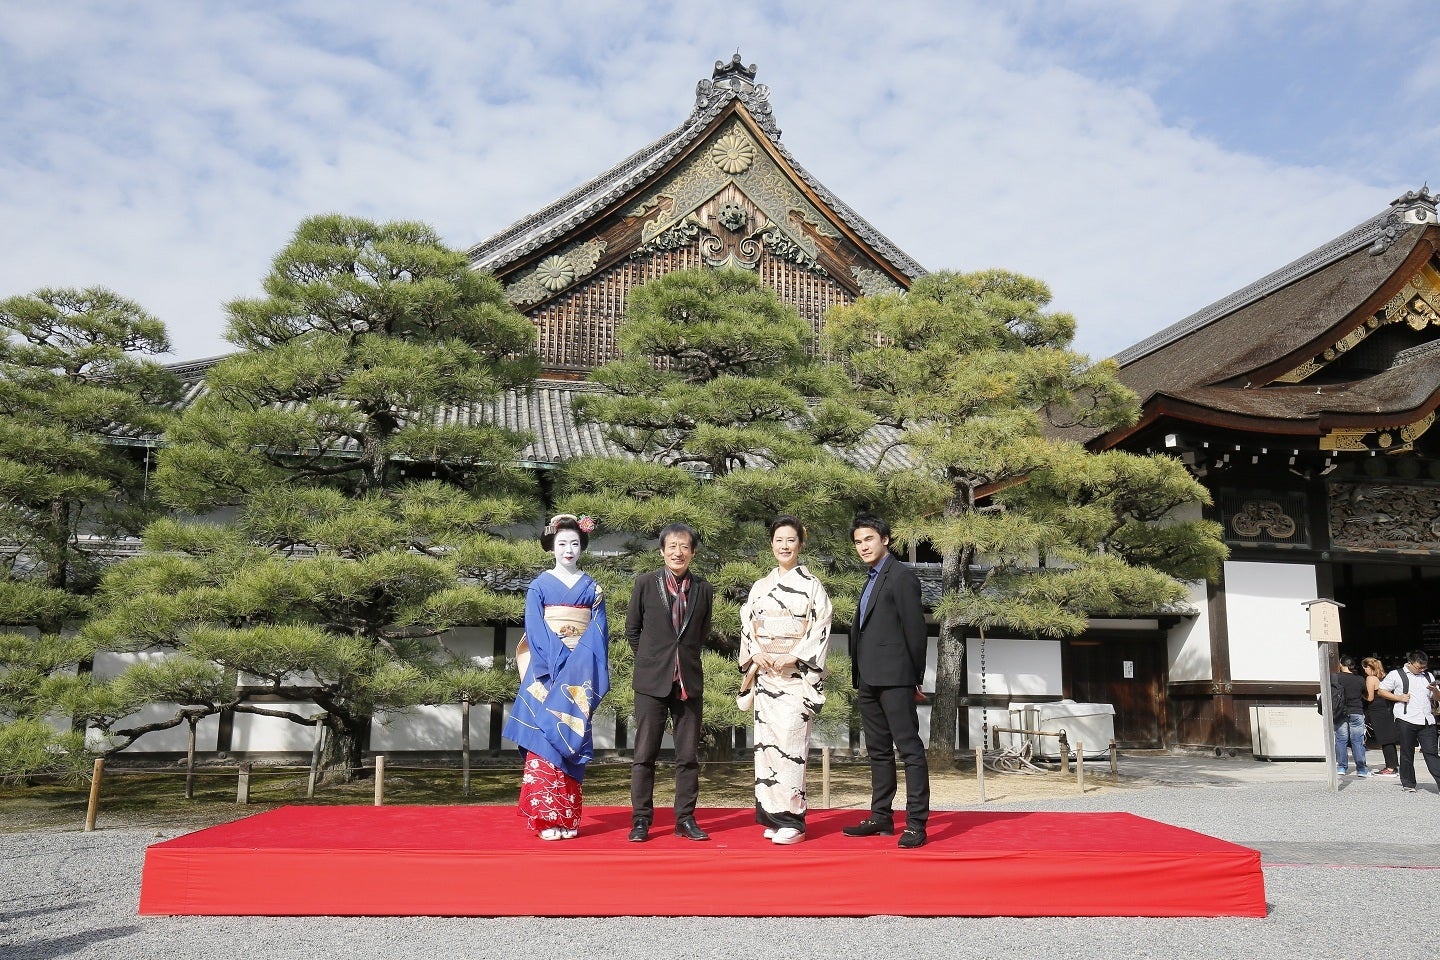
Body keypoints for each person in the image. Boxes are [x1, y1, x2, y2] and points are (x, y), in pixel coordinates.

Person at [502, 514, 609, 840]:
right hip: (545, 673)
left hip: (578, 674)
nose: (568, 549)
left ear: (582, 547)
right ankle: (547, 819)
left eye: (574, 543)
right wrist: (557, 661)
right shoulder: (539, 585)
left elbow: (599, 631)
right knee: (544, 742)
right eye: (562, 543)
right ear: (551, 546)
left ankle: (568, 818)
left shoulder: (592, 587)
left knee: (571, 740)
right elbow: (535, 628)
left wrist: (578, 664)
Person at [738, 515, 834, 845]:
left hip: (794, 677)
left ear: (800, 545)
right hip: (766, 676)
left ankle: (793, 819)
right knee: (766, 747)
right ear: (771, 545)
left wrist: (794, 656)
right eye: (779, 540)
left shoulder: (812, 586)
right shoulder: (760, 587)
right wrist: (754, 653)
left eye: (790, 540)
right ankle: (773, 815)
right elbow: (748, 625)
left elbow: (821, 626)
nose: (784, 545)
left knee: (792, 745)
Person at [842, 512, 930, 849]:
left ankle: (916, 823)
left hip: (896, 677)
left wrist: (915, 677)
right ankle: (880, 816)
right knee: (877, 751)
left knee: (909, 749)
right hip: (868, 678)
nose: (863, 546)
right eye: (858, 541)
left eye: (869, 539)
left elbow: (916, 631)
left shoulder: (901, 576)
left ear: (885, 540)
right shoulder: (871, 579)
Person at [626, 521, 714, 842]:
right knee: (644, 754)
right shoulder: (645, 584)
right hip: (651, 681)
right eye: (672, 546)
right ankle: (640, 820)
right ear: (662, 550)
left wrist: (679, 660)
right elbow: (632, 630)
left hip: (688, 681)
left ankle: (685, 819)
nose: (678, 552)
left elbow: (701, 633)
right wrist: (652, 660)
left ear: (693, 552)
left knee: (687, 756)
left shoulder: (703, 589)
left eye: (684, 547)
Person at [1376, 650, 1440, 794]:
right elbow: (1381, 691)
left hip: (1426, 720)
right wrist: (1399, 698)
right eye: (1419, 667)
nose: (1422, 669)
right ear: (1410, 663)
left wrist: (1434, 690)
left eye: (1424, 667)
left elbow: (1438, 697)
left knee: (1432, 753)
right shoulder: (1396, 674)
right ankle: (1408, 783)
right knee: (1407, 752)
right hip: (1406, 719)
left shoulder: (1428, 676)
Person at [1331, 655, 1369, 777]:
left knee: (1341, 739)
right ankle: (1361, 769)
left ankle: (1342, 767)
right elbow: (1365, 693)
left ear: (1341, 664)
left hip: (1340, 711)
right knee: (1357, 740)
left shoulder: (1335, 677)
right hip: (1357, 711)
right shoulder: (1360, 679)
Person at [1362, 656, 1399, 776]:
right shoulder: (1385, 676)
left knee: (1384, 739)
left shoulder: (1371, 678)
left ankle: (1390, 767)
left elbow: (1370, 697)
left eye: (1365, 668)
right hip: (1387, 709)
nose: (1364, 670)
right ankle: (1393, 765)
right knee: (1389, 739)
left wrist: (1360, 694)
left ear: (1369, 667)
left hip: (1377, 710)